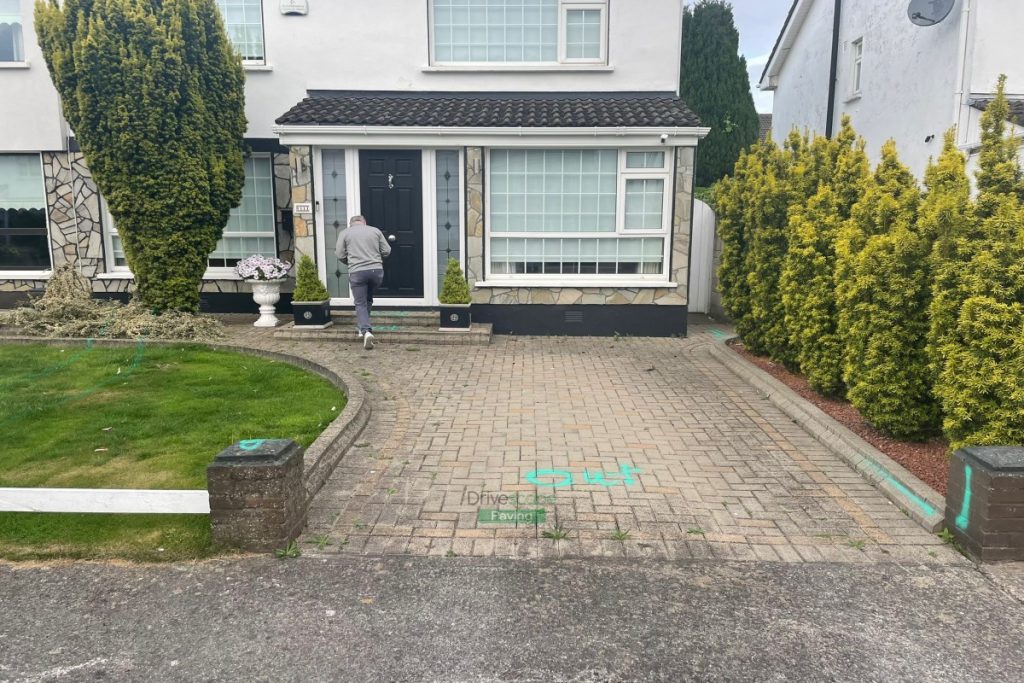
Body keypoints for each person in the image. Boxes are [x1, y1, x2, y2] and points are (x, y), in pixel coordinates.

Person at [336, 215, 391, 349]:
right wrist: (377, 259)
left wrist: (350, 262)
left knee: (360, 303)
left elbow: (339, 254)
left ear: (351, 224)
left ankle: (366, 331)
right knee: (368, 297)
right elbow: (387, 250)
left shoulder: (345, 233)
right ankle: (363, 327)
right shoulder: (375, 231)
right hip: (376, 272)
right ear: (364, 222)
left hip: (358, 272)